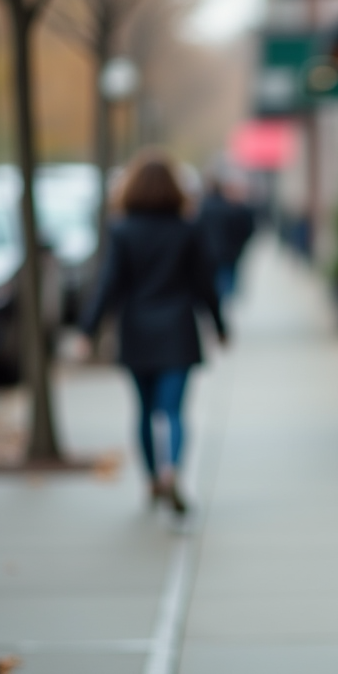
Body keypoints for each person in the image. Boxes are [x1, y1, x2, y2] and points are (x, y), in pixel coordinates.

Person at [80, 151, 227, 515]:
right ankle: (171, 471)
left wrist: (89, 328)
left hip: (137, 330)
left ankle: (150, 481)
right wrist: (220, 325)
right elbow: (204, 283)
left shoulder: (122, 229)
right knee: (174, 412)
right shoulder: (188, 228)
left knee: (144, 411)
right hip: (178, 329)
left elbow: (110, 284)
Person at [197, 174, 255, 300]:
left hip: (210, 252)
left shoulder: (202, 208)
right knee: (226, 283)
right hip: (229, 251)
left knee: (215, 282)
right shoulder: (230, 208)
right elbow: (243, 230)